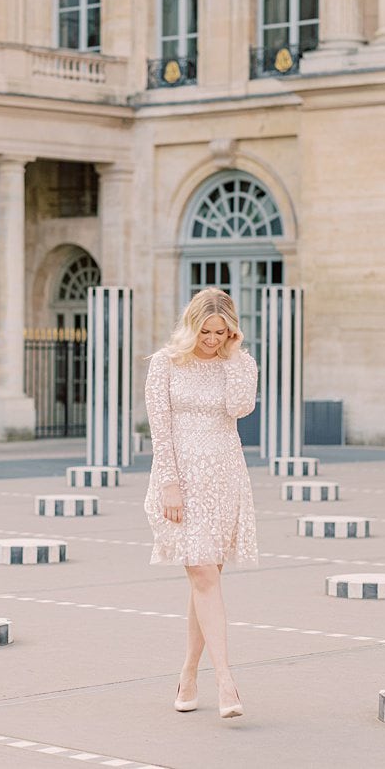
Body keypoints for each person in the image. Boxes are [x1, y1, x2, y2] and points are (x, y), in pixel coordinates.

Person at [143, 288, 259, 718]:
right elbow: (160, 428)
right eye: (206, 331)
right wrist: (170, 484)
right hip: (182, 480)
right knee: (203, 573)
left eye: (221, 331)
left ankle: (188, 673)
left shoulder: (241, 363)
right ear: (192, 326)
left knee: (204, 579)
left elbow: (239, 407)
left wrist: (232, 359)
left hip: (225, 476)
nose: (212, 339)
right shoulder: (165, 363)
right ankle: (226, 680)